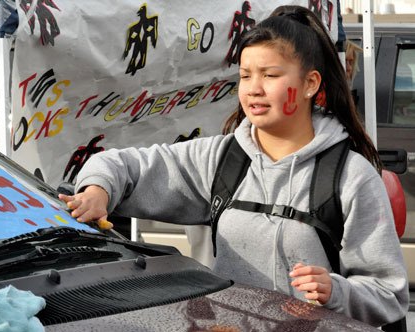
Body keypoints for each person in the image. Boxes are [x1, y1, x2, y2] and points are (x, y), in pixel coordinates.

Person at [59, 5, 408, 327]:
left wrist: (337, 291)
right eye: (245, 76)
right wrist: (99, 188)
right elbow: (127, 165)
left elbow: (389, 295)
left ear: (310, 84)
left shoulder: (351, 176)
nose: (254, 89)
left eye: (270, 75)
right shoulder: (221, 158)